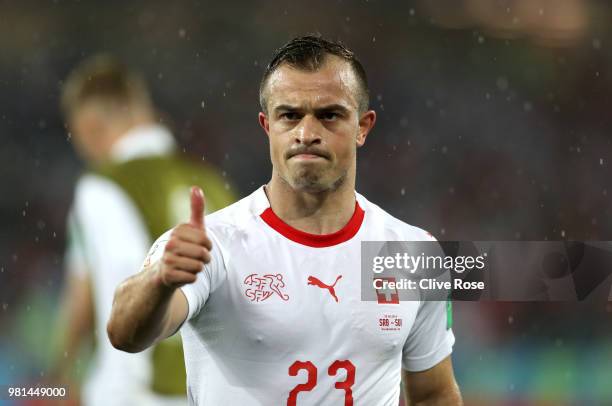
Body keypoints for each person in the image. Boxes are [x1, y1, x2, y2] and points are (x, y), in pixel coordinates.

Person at [107, 36, 462, 405]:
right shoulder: (213, 245)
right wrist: (160, 279)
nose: (307, 134)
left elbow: (434, 394)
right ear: (267, 125)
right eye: (289, 115)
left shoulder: (412, 252)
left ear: (363, 126)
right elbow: (124, 333)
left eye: (329, 115)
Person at [54, 55, 236, 405]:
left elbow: (107, 291)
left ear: (90, 126)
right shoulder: (214, 183)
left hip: (144, 392)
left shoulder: (102, 187)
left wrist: (63, 378)